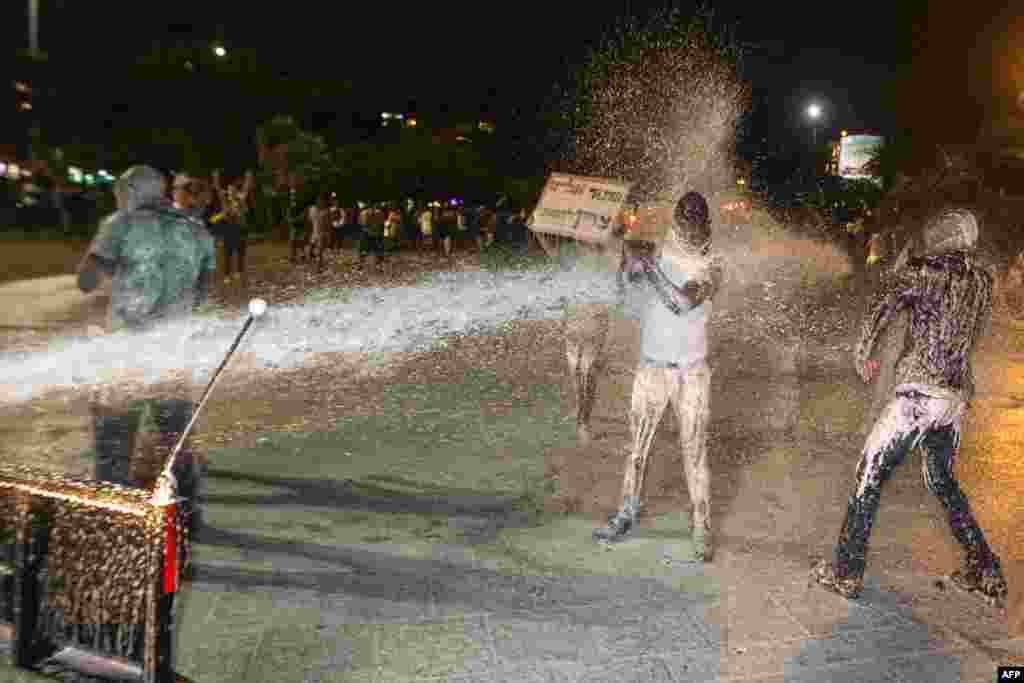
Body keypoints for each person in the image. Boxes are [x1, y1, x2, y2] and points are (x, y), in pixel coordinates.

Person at [812, 208, 1007, 606]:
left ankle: (846, 573)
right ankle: (985, 570)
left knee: (868, 476)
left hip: (917, 397)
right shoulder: (984, 281)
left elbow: (884, 304)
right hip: (951, 400)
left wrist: (864, 350)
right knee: (942, 481)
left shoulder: (925, 272)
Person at [76, 164, 217, 536]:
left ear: (132, 190)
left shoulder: (121, 224)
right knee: (175, 442)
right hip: (173, 353)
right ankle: (185, 519)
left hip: (126, 354)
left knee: (113, 442)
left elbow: (86, 281)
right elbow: (202, 293)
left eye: (120, 191)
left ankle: (113, 521)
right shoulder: (197, 231)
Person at [591, 192, 723, 563]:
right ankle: (627, 511)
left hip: (691, 374)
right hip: (651, 368)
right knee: (636, 449)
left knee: (694, 453)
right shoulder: (657, 251)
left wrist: (647, 266)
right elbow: (625, 296)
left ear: (704, 227)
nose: (692, 234)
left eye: (697, 227)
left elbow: (681, 302)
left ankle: (701, 527)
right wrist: (625, 265)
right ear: (678, 224)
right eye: (687, 226)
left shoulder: (713, 265)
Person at [212, 169, 254, 285]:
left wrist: (248, 178)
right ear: (228, 192)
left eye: (233, 190)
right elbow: (218, 189)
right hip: (229, 230)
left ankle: (239, 271)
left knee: (241, 252)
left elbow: (246, 188)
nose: (231, 192)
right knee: (227, 253)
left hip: (240, 229)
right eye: (230, 190)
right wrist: (215, 179)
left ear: (236, 191)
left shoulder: (241, 199)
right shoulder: (224, 200)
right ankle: (226, 275)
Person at [306, 192, 332, 270]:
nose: (320, 202)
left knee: (319, 251)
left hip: (322, 234)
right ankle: (315, 263)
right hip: (314, 233)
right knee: (310, 251)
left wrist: (329, 235)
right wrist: (308, 232)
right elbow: (309, 221)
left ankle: (319, 266)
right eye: (319, 200)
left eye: (322, 201)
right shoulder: (312, 209)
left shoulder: (327, 212)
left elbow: (328, 224)